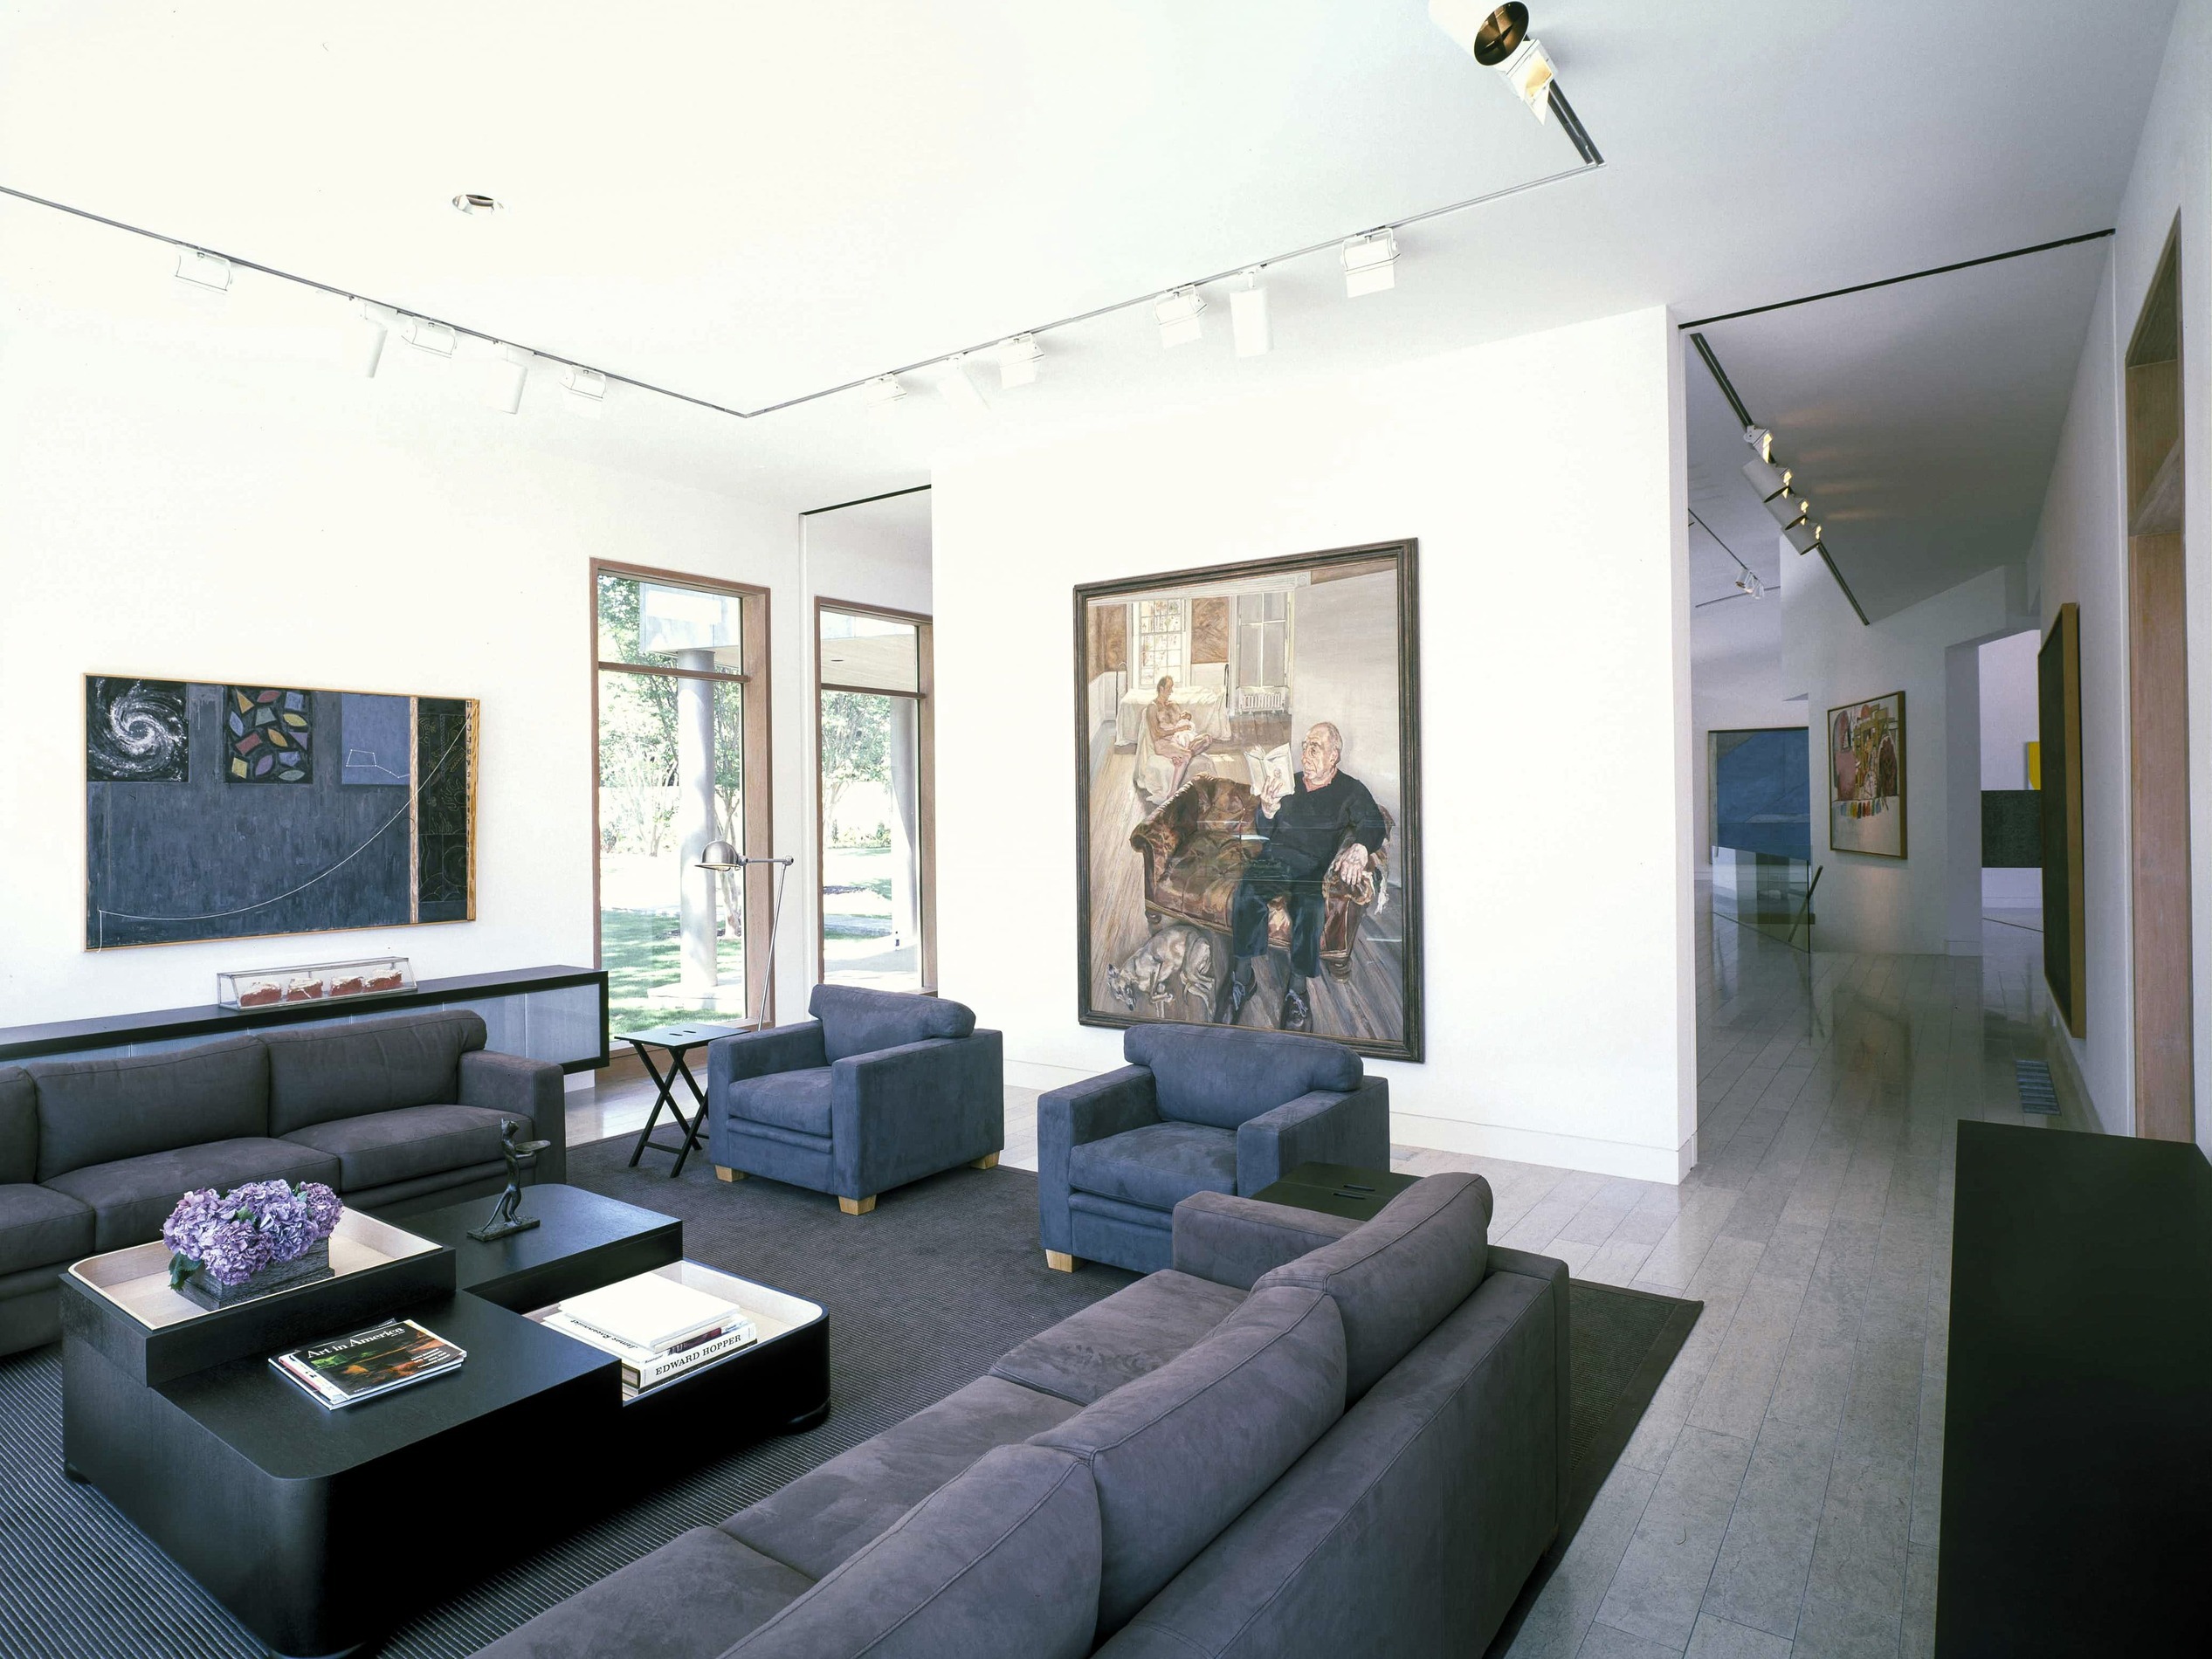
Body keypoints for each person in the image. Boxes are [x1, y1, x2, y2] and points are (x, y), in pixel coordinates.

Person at [1224, 721, 1386, 1032]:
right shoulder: (1290, 782)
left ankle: (1297, 991)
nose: (1306, 754)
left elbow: (1375, 823)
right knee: (1247, 892)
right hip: (1276, 859)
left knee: (1310, 909)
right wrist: (1267, 810)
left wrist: (1361, 847)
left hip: (1313, 867)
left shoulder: (1350, 790)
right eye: (1304, 746)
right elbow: (1265, 832)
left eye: (1315, 747)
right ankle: (1243, 979)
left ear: (1334, 756)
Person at [1144, 675, 1212, 795]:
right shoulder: (1153, 707)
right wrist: (1178, 729)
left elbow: (1182, 721)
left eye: (1172, 688)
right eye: (1169, 688)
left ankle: (1181, 755)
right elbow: (1156, 734)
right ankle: (1172, 793)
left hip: (1180, 740)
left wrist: (1186, 719)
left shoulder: (1173, 705)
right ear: (1161, 689)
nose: (1171, 691)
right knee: (1187, 754)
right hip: (1164, 744)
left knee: (1207, 739)